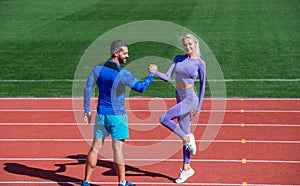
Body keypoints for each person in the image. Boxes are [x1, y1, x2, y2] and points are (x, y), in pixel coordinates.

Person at [82, 40, 157, 186]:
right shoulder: (123, 73)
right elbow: (140, 88)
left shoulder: (97, 68)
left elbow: (87, 88)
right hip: (117, 116)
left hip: (101, 115)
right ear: (116, 53)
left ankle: (86, 181)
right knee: (117, 150)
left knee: (95, 147)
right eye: (125, 53)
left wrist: (87, 110)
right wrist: (151, 75)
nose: (127, 56)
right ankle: (122, 182)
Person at [153, 34, 206, 184]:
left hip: (190, 99)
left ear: (195, 44)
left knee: (164, 118)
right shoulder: (178, 58)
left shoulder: (200, 63)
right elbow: (167, 76)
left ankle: (187, 138)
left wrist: (199, 106)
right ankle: (186, 169)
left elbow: (202, 86)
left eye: (190, 44)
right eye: (185, 45)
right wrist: (155, 72)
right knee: (185, 131)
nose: (187, 47)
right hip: (179, 96)